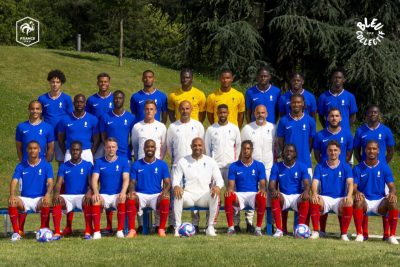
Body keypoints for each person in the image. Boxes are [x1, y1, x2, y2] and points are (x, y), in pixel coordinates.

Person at [173, 138, 224, 237]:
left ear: (203, 147)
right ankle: (178, 228)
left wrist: (217, 187)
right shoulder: (183, 161)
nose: (197, 147)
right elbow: (176, 179)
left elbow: (220, 179)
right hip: (189, 195)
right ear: (191, 147)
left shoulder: (210, 161)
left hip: (203, 196)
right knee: (177, 195)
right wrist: (176, 186)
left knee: (215, 195)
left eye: (200, 145)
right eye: (195, 145)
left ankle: (210, 227)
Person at [167, 100, 204, 231]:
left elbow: (201, 145)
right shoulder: (172, 127)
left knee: (195, 192)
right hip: (177, 165)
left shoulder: (198, 125)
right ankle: (173, 223)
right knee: (175, 194)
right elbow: (169, 146)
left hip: (194, 165)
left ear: (191, 110)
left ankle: (196, 223)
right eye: (182, 109)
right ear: (178, 110)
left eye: (187, 108)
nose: (185, 111)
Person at [353, 140, 398, 245]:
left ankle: (392, 236)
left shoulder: (384, 167)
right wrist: (357, 192)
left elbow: (392, 187)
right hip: (365, 201)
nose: (371, 151)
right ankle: (360, 234)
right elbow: (353, 187)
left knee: (393, 202)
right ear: (365, 150)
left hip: (379, 201)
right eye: (369, 148)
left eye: (374, 149)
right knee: (358, 200)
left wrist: (392, 193)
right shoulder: (358, 168)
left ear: (378, 151)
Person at [8, 141, 54, 241]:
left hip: (39, 199)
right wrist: (12, 195)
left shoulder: (46, 165)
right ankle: (16, 233)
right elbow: (14, 181)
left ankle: (42, 230)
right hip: (25, 199)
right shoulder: (21, 166)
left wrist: (47, 194)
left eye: (35, 148)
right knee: (12, 201)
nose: (32, 150)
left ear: (39, 150)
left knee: (46, 201)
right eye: (30, 148)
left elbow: (50, 182)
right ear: (27, 150)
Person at [240, 104, 275, 232]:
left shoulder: (272, 128)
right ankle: (249, 223)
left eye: (263, 113)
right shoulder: (247, 129)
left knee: (269, 195)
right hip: (251, 166)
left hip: (269, 166)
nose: (260, 115)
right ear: (254, 114)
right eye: (258, 113)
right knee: (250, 192)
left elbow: (276, 147)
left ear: (267, 114)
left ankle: (269, 224)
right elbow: (242, 148)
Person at [309, 140, 353, 241]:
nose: (333, 152)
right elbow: (315, 182)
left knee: (349, 203)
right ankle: (316, 231)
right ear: (327, 152)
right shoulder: (320, 166)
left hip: (340, 198)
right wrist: (315, 193)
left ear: (339, 152)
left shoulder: (346, 166)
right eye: (330, 150)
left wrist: (349, 195)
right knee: (315, 200)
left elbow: (350, 183)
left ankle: (344, 234)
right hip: (325, 198)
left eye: (335, 150)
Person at [127, 139, 171, 237]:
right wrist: (132, 191)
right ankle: (132, 230)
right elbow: (132, 182)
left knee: (165, 198)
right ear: (144, 148)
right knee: (130, 198)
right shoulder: (137, 164)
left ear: (155, 148)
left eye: (152, 147)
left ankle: (161, 229)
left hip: (155, 195)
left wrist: (165, 191)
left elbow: (168, 183)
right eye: (147, 147)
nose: (149, 149)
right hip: (141, 194)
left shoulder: (162, 164)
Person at [51, 141, 93, 240]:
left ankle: (88, 231)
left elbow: (92, 183)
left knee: (87, 199)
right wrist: (56, 194)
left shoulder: (88, 165)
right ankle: (57, 232)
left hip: (82, 196)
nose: (75, 152)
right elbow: (58, 183)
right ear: (70, 151)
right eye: (73, 150)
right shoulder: (64, 166)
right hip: (68, 196)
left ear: (81, 151)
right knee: (57, 200)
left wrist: (89, 191)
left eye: (77, 150)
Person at [224, 140, 267, 236]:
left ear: (252, 150)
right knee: (228, 195)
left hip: (253, 194)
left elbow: (263, 184)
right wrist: (229, 191)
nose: (246, 151)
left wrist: (263, 190)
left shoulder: (259, 165)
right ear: (241, 150)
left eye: (248, 149)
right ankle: (231, 228)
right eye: (244, 148)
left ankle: (258, 229)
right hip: (240, 195)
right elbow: (231, 186)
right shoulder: (234, 166)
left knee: (262, 195)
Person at [91, 138, 130, 239]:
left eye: (113, 147)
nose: (111, 149)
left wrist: (123, 192)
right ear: (105, 148)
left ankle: (120, 231)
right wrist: (96, 192)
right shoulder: (99, 162)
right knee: (95, 200)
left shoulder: (123, 161)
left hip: (117, 194)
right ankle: (97, 232)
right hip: (104, 194)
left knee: (122, 198)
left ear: (117, 148)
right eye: (108, 147)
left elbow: (126, 178)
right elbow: (94, 179)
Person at [269, 144, 310, 237]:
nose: (289, 153)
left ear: (295, 153)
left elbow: (307, 183)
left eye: (291, 151)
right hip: (284, 196)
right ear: (283, 153)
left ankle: (299, 229)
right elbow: (271, 184)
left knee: (306, 198)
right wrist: (273, 190)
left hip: (297, 196)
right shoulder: (277, 166)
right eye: (287, 151)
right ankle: (279, 230)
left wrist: (307, 191)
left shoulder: (302, 166)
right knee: (275, 197)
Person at [38, 69, 73, 162]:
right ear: (49, 82)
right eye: (53, 82)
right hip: (47, 135)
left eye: (57, 82)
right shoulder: (42, 98)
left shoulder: (66, 98)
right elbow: (39, 117)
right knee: (45, 161)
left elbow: (71, 118)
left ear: (61, 83)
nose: (55, 84)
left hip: (61, 136)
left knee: (62, 161)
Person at [277, 94, 316, 175]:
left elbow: (311, 141)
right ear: (290, 104)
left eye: (298, 102)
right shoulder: (283, 120)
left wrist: (305, 152)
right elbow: (280, 140)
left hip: (305, 161)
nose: (296, 104)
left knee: (306, 187)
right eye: (294, 102)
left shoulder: (310, 121)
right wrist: (285, 154)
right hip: (289, 162)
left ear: (303, 104)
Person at [58, 94, 99, 164]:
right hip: (70, 152)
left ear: (85, 104)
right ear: (73, 103)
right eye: (77, 102)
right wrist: (67, 152)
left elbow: (96, 140)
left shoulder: (93, 119)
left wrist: (91, 153)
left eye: (81, 102)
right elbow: (60, 139)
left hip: (86, 152)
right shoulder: (65, 119)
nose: (79, 104)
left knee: (88, 174)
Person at [204, 104, 241, 184]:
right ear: (217, 113)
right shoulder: (211, 129)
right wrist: (211, 163)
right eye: (220, 113)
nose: (222, 115)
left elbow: (238, 146)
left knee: (231, 192)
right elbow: (207, 149)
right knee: (214, 193)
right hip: (216, 166)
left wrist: (236, 162)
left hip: (230, 166)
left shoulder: (234, 128)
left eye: (224, 112)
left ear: (228, 113)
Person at [100, 90, 136, 160]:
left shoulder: (131, 117)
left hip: (125, 154)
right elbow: (103, 137)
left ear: (123, 99)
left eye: (120, 98)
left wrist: (130, 148)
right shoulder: (105, 117)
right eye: (116, 98)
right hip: (110, 154)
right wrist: (110, 149)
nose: (118, 100)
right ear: (112, 100)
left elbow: (133, 137)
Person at [86, 73, 114, 160]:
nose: (103, 84)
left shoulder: (114, 99)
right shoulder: (91, 99)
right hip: (96, 136)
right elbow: (87, 117)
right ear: (97, 83)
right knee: (95, 161)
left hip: (110, 135)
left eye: (105, 82)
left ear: (109, 83)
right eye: (101, 81)